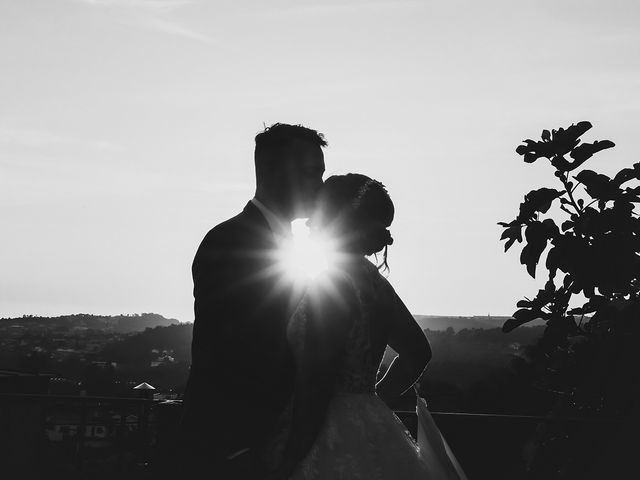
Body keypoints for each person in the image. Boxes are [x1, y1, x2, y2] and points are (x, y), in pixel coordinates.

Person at [262, 173, 467, 479]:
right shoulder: (374, 282)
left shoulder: (330, 283)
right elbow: (418, 352)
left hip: (318, 428)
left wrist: (291, 456)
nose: (307, 223)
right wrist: (369, 401)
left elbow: (317, 379)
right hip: (369, 422)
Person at [176, 123, 327, 479]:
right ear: (273, 172)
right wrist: (243, 448)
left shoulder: (291, 248)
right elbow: (234, 352)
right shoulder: (229, 241)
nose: (320, 187)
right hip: (233, 446)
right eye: (310, 175)